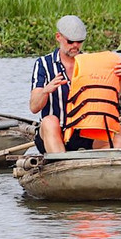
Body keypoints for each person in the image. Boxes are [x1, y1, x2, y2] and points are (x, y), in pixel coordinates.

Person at [29, 14, 92, 153]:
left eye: (79, 41)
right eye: (70, 42)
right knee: (49, 121)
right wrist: (46, 90)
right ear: (58, 37)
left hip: (84, 131)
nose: (75, 46)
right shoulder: (43, 64)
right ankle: (60, 164)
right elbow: (34, 107)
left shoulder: (90, 62)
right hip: (54, 133)